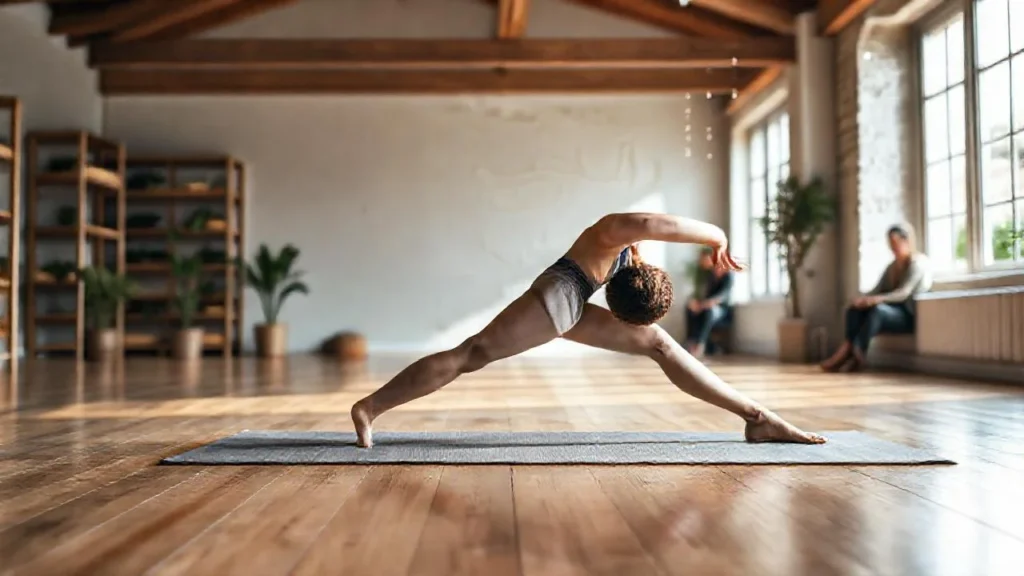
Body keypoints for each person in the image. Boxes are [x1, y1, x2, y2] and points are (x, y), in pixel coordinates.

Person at [350, 212, 826, 447]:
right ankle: (370, 407)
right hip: (557, 297)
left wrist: (713, 239)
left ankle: (756, 417)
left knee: (659, 343)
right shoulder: (616, 231)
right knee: (469, 354)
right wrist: (718, 237)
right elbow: (648, 220)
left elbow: (652, 229)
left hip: (570, 300)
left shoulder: (625, 255)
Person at [820, 223, 933, 372]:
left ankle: (855, 351)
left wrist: (876, 300)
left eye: (896, 243)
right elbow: (876, 289)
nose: (893, 247)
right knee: (854, 309)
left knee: (877, 311)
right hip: (891, 311)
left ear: (907, 241)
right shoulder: (892, 267)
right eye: (890, 243)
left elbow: (903, 293)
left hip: (908, 314)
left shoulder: (918, 264)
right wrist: (862, 299)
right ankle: (850, 348)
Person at [684, 247, 735, 358]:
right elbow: (705, 295)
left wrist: (704, 305)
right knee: (690, 309)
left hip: (723, 310)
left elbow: (721, 297)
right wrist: (696, 303)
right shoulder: (711, 276)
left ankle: (699, 345)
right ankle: (690, 341)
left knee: (709, 311)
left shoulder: (728, 276)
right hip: (707, 306)